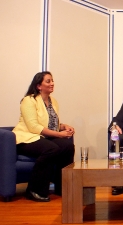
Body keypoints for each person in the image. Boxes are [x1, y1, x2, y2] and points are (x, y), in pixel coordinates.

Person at [12, 71, 75, 202]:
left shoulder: (54, 101)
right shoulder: (28, 100)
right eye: (48, 81)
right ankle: (34, 190)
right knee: (51, 149)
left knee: (68, 146)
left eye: (52, 80)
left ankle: (62, 187)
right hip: (27, 138)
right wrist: (59, 134)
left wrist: (63, 127)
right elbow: (34, 127)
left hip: (43, 138)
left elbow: (50, 123)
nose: (52, 83)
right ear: (39, 86)